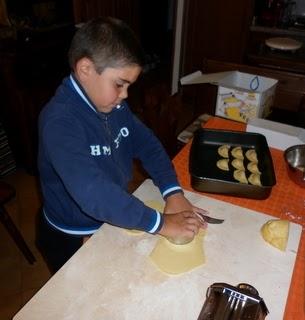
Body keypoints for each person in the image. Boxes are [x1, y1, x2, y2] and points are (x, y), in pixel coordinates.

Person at [36, 17, 207, 274]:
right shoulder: (60, 122)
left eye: (128, 86)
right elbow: (93, 193)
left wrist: (173, 192)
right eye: (119, 84)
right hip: (74, 234)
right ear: (85, 70)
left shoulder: (112, 104)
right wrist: (161, 223)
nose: (125, 95)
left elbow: (147, 144)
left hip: (111, 216)